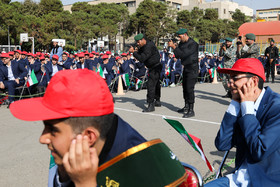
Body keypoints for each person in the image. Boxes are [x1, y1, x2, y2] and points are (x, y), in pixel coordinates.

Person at [10, 69, 146, 187]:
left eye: (53, 131)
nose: (42, 139)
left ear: (88, 137)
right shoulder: (97, 136)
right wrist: (64, 175)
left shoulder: (145, 173)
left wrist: (84, 184)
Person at [206, 58, 280, 187]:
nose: (229, 84)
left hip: (265, 181)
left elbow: (259, 151)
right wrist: (234, 104)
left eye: (235, 78)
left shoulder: (276, 107)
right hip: (237, 178)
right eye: (229, 79)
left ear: (254, 81)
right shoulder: (240, 102)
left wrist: (247, 109)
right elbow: (222, 144)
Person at [168, 28, 198, 118]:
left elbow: (184, 54)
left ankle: (191, 110)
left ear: (185, 34)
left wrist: (174, 47)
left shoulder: (193, 44)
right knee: (185, 88)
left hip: (193, 69)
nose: (179, 38)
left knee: (189, 89)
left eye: (180, 36)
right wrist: (175, 48)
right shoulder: (181, 43)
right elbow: (177, 55)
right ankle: (186, 106)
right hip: (185, 68)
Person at [129, 33, 162, 112]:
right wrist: (137, 49)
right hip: (154, 66)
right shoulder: (145, 45)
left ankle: (151, 104)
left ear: (143, 39)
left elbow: (142, 58)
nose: (138, 43)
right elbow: (141, 52)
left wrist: (134, 52)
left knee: (151, 85)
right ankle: (157, 100)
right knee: (156, 84)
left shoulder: (148, 46)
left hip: (155, 67)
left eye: (138, 42)